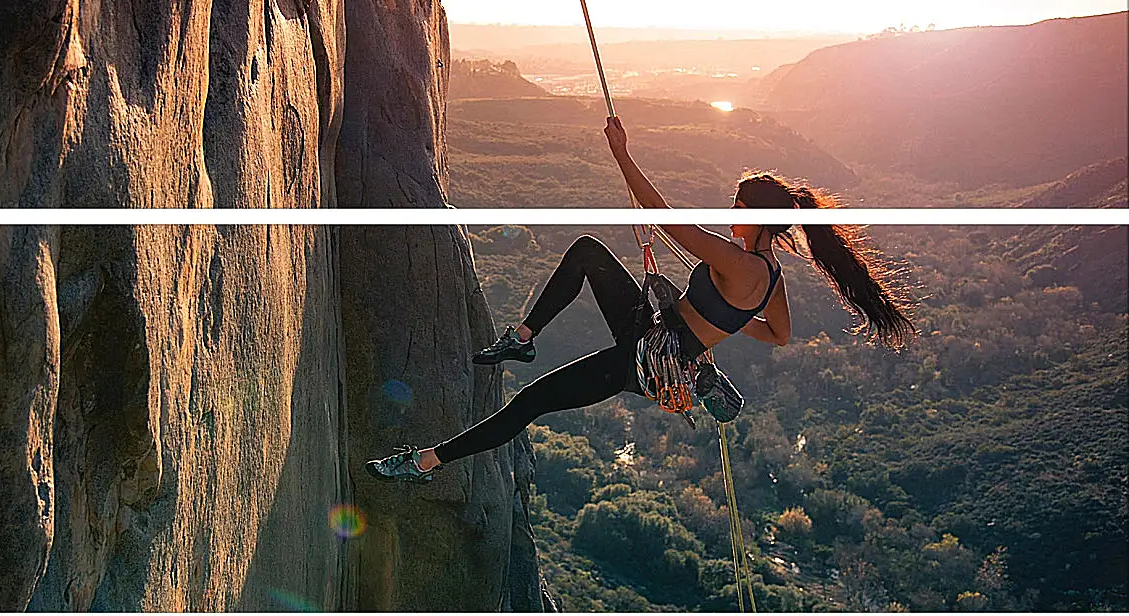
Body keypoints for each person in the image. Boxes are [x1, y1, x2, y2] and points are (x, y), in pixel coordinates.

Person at [367, 116, 915, 483]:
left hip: (646, 358)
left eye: (735, 203)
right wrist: (717, 328)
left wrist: (621, 154)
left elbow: (664, 215)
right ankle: (526, 339)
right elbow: (779, 335)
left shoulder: (739, 261)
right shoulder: (770, 276)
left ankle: (424, 462)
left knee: (529, 403)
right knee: (586, 252)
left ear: (750, 213)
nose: (730, 210)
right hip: (659, 335)